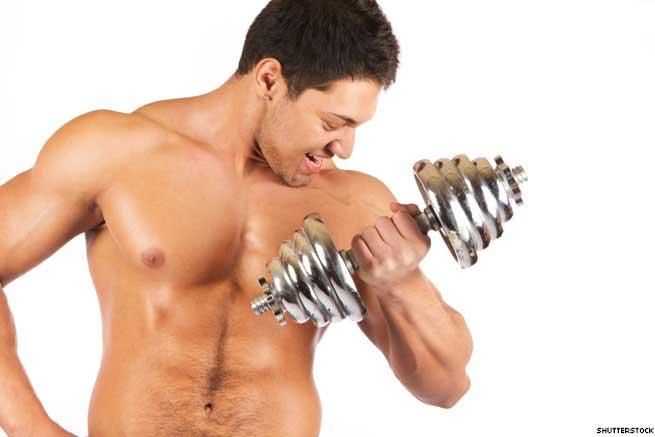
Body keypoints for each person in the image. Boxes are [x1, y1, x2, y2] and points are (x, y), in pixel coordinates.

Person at [0, 1, 473, 436]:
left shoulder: (353, 204)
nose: (345, 148)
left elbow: (446, 387)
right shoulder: (117, 154)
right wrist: (31, 427)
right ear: (269, 80)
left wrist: (404, 282)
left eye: (354, 128)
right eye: (332, 123)